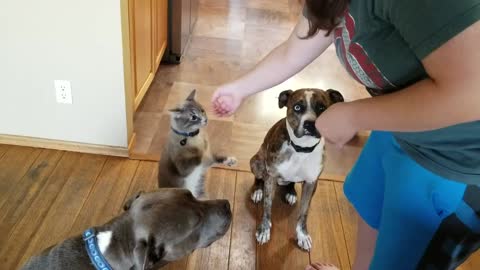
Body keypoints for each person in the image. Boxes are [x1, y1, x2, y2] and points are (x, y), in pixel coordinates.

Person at [211, 0, 480, 269]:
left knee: (400, 257)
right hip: (397, 128)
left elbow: (471, 94)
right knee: (369, 209)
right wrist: (240, 88)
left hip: (454, 162)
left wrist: (353, 115)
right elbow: (295, 49)